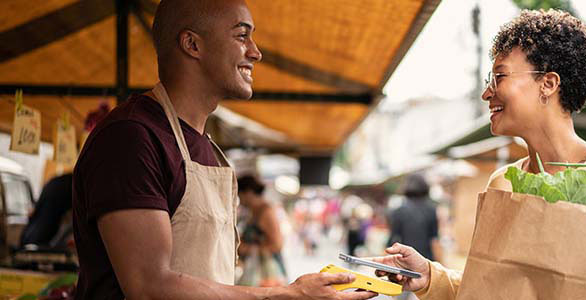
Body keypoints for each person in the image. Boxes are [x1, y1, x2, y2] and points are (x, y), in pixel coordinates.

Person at [71, 1, 376, 299]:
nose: (255, 52)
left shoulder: (209, 151)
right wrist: (284, 293)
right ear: (192, 44)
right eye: (242, 36)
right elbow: (150, 286)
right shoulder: (130, 137)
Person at [371, 9, 586, 299]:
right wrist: (430, 276)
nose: (487, 92)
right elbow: (490, 289)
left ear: (548, 84)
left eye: (500, 77)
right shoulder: (502, 182)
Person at [236, 175, 286, 287]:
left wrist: (248, 249)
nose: (239, 198)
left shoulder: (266, 212)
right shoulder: (251, 212)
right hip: (254, 268)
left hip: (267, 271)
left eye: (239, 194)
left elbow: (277, 245)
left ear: (248, 192)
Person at [386, 174, 440, 262]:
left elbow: (393, 238)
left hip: (405, 259)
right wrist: (439, 265)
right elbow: (434, 240)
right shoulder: (431, 210)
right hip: (426, 260)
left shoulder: (399, 211)